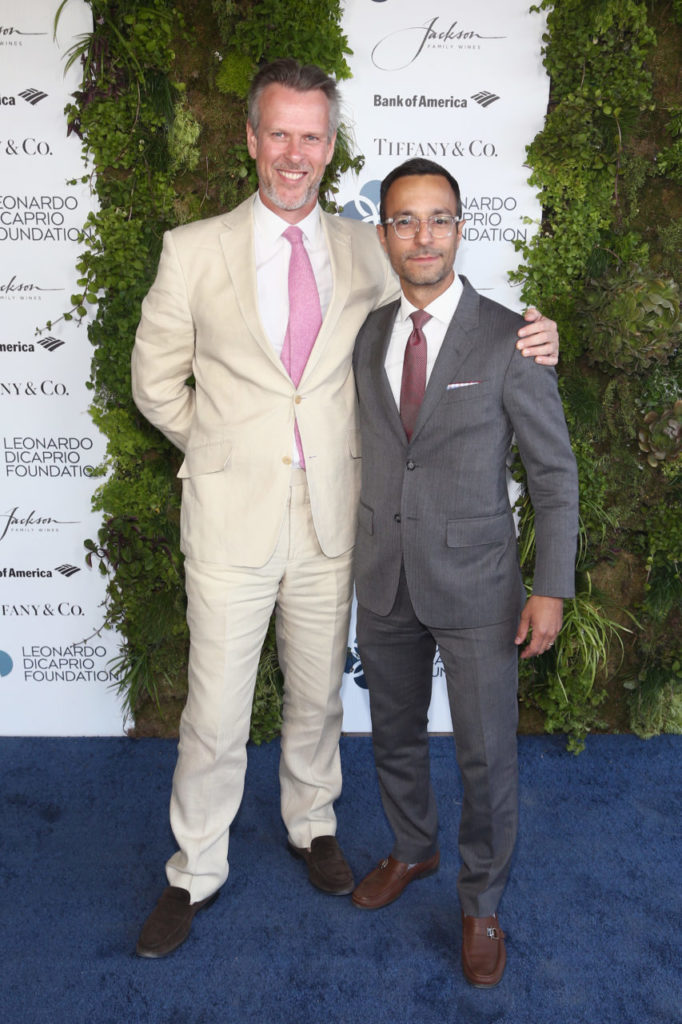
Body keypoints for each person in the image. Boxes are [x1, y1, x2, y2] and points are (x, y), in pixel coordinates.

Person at [131, 60, 560, 959]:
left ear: (332, 147)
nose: (295, 153)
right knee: (215, 711)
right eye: (279, 133)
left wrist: (537, 333)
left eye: (312, 136)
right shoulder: (192, 248)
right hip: (232, 516)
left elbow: (443, 307)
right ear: (252, 139)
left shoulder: (370, 246)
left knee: (318, 696)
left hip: (341, 521)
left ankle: (312, 825)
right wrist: (225, 448)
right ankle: (194, 869)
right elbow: (154, 382)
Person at [350, 158, 579, 989]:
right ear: (384, 235)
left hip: (479, 585)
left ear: (460, 228)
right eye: (405, 220)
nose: (423, 236)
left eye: (439, 218)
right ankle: (412, 848)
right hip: (384, 575)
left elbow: (553, 473)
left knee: (486, 756)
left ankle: (481, 900)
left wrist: (550, 586)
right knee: (393, 734)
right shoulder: (368, 333)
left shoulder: (511, 336)